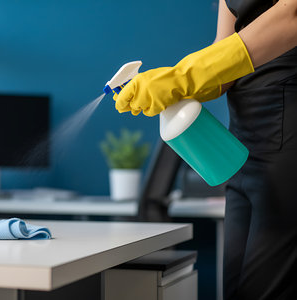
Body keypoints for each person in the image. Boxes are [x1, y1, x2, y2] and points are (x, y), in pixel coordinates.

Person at [113, 1, 297, 299]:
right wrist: (173, 85)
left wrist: (181, 77)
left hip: (288, 131)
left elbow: (291, 18)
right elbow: (223, 50)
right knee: (236, 287)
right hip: (241, 144)